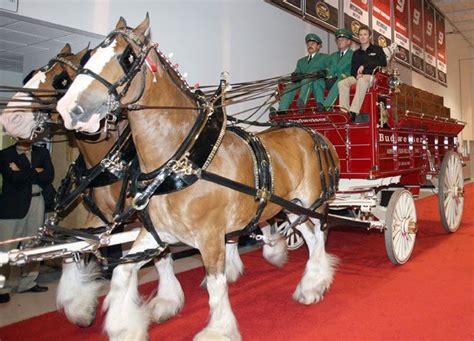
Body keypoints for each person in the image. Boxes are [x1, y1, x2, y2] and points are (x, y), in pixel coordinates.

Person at [0, 140, 54, 303]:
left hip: (37, 203)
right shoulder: (5, 154)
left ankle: (28, 282)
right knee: (6, 247)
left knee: (32, 244)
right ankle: (2, 287)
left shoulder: (42, 152)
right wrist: (35, 171)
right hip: (12, 206)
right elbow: (12, 178)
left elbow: (48, 176)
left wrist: (22, 171)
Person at [337, 26, 387, 123]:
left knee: (362, 80)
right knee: (342, 83)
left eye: (365, 34)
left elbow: (383, 63)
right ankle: (345, 111)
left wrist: (364, 66)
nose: (363, 37)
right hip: (358, 76)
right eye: (360, 35)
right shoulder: (356, 53)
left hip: (372, 76)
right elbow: (353, 70)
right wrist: (357, 74)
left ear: (370, 37)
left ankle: (354, 111)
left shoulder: (377, 49)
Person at [278, 33, 327, 113]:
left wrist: (324, 72)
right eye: (308, 44)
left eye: (313, 44)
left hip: (316, 82)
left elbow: (329, 69)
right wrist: (295, 76)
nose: (310, 46)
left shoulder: (324, 57)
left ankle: (301, 105)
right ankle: (282, 110)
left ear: (318, 46)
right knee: (289, 86)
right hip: (301, 83)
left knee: (306, 81)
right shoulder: (301, 61)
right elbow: (296, 73)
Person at [315, 28, 354, 110]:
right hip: (330, 79)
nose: (340, 42)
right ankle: (320, 104)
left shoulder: (354, 55)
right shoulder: (332, 56)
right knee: (317, 81)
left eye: (343, 40)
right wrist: (325, 74)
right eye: (338, 40)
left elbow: (353, 70)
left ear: (349, 42)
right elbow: (327, 68)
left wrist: (340, 76)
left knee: (340, 80)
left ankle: (326, 106)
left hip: (343, 78)